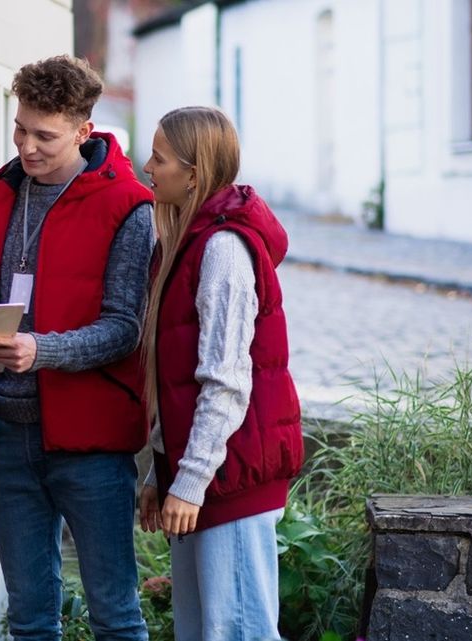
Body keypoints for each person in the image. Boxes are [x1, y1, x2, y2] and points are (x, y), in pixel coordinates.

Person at [0, 55, 154, 641]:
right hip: (9, 439)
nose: (28, 146)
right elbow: (3, 304)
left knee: (115, 617)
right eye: (21, 129)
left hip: (90, 444)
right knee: (29, 619)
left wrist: (38, 351)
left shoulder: (127, 207)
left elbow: (124, 329)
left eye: (45, 135)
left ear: (83, 131)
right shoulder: (3, 193)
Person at [137, 106, 304, 641]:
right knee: (202, 631)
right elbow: (173, 378)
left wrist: (187, 481)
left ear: (193, 172)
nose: (147, 166)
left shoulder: (223, 250)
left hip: (226, 481)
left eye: (159, 158)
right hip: (202, 476)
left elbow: (226, 382)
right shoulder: (185, 244)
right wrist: (159, 471)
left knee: (236, 633)